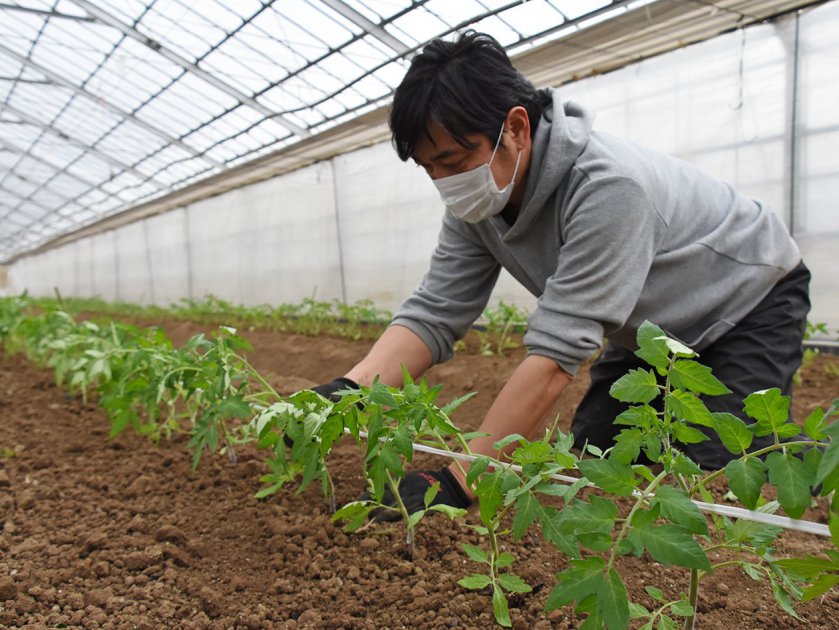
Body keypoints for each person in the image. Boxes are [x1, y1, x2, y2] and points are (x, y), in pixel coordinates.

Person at [310, 30, 810, 517]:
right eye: (428, 168)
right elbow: (435, 312)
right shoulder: (479, 204)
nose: (445, 182)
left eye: (454, 160)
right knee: (593, 466)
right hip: (651, 333)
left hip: (748, 303)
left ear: (517, 128)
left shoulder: (608, 187)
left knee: (711, 488)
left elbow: (555, 356)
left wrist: (462, 481)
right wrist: (349, 391)